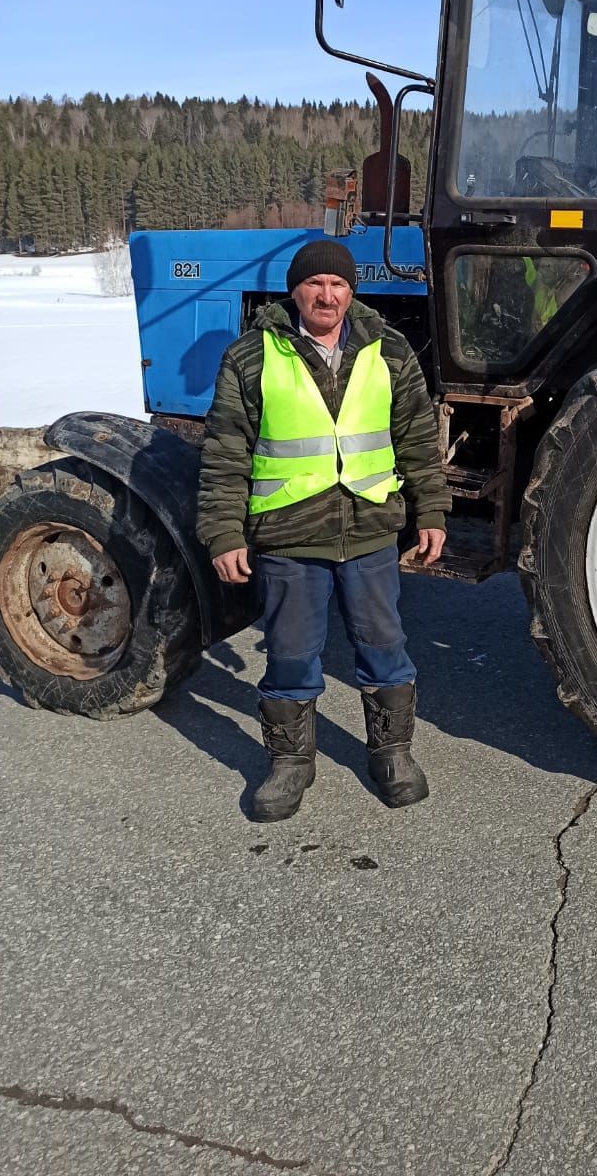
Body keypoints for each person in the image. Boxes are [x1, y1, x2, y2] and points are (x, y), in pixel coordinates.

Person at [196, 239, 451, 823]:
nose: (326, 295)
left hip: (368, 531)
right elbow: (226, 450)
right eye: (315, 285)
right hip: (290, 535)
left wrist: (431, 512)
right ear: (295, 291)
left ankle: (392, 753)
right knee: (289, 653)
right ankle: (290, 762)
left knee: (384, 647)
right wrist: (223, 533)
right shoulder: (251, 357)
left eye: (337, 285)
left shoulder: (388, 350)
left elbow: (416, 437)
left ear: (351, 291)